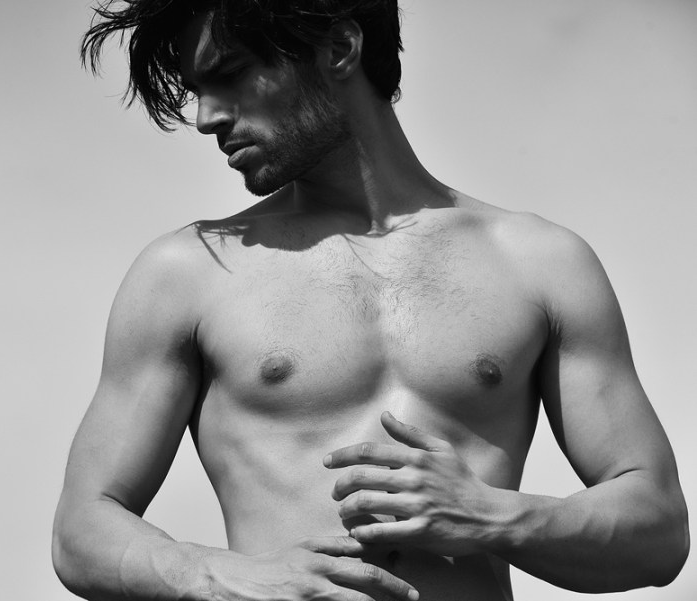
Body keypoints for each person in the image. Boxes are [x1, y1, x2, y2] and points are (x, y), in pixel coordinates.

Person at [52, 2, 689, 600]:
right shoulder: (190, 272)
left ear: (339, 48)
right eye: (197, 90)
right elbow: (82, 529)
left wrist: (496, 516)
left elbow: (659, 530)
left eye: (231, 74)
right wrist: (224, 577)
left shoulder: (540, 264)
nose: (206, 117)